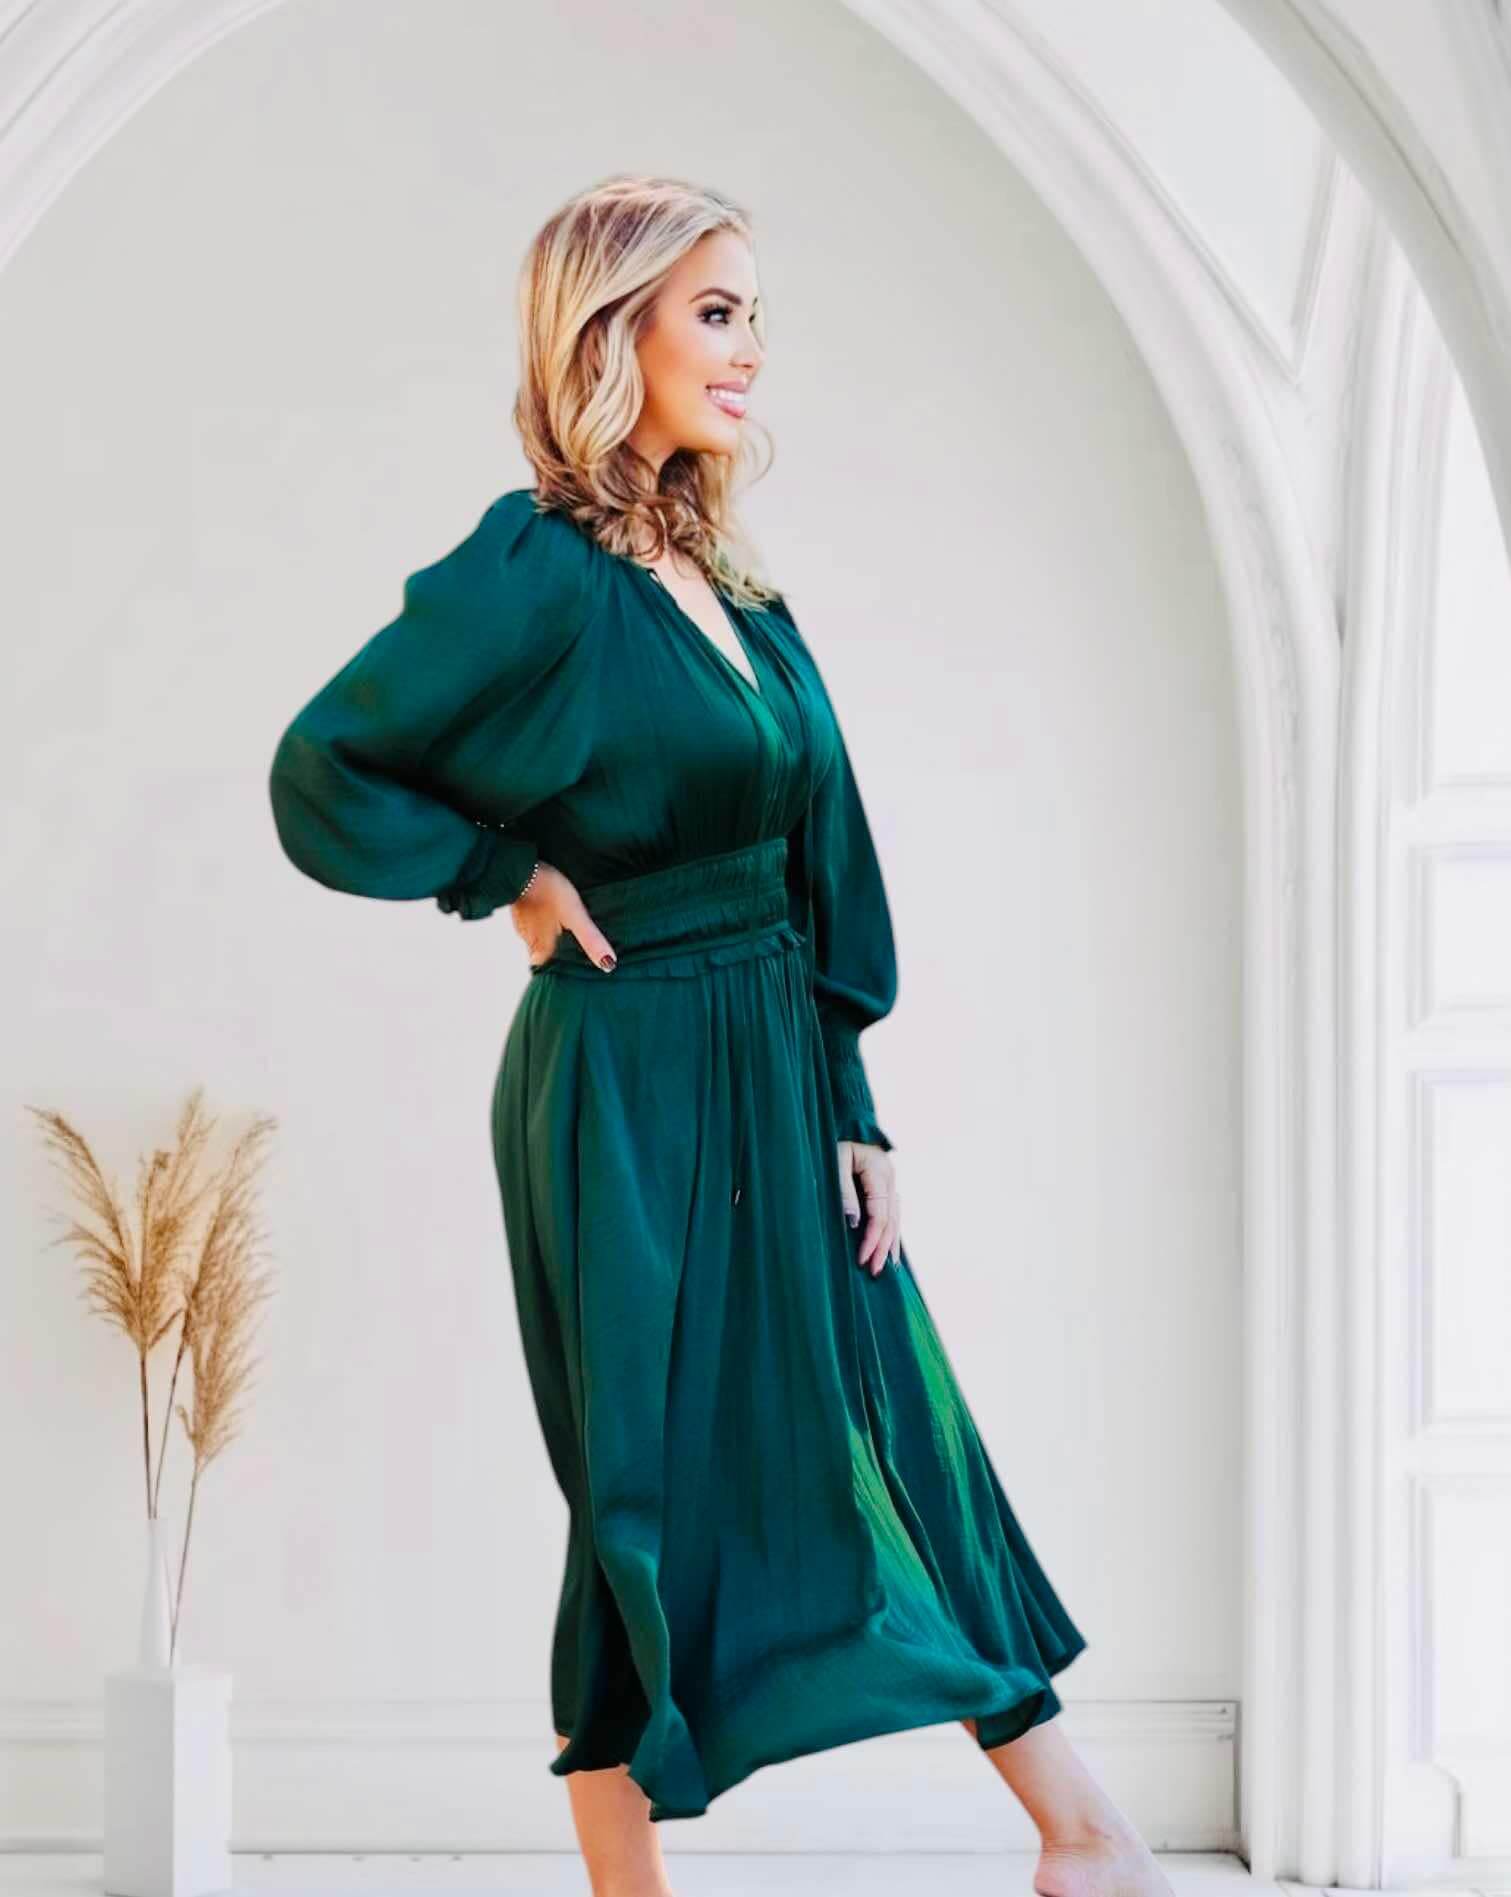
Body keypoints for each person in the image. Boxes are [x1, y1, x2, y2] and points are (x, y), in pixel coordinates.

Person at [269, 174, 1173, 1897]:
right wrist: (500, 869)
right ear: (614, 331)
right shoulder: (532, 568)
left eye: (757, 310)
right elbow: (323, 770)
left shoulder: (731, 582)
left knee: (895, 1421)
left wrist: (852, 1099)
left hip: (775, 1059)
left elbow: (817, 864)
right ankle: (648, 1886)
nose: (753, 347)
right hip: (623, 1079)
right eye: (718, 310)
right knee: (641, 1490)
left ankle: (1086, 1833)